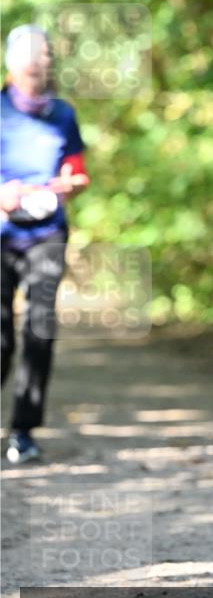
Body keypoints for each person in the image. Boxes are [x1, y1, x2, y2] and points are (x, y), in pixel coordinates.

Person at [1, 24, 89, 464]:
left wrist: (73, 183)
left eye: (46, 56)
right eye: (33, 57)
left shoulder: (63, 113)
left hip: (48, 231)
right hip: (1, 233)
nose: (41, 64)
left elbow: (76, 163)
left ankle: (23, 431)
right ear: (13, 64)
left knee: (39, 329)